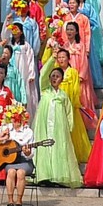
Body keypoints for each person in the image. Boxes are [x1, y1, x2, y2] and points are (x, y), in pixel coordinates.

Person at [32, 55, 83, 188]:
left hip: (59, 129)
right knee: (44, 148)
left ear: (61, 79)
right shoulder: (44, 90)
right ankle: (43, 176)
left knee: (57, 149)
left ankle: (57, 176)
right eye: (53, 76)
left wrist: (69, 128)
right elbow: (42, 74)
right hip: (44, 127)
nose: (54, 78)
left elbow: (69, 113)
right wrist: (52, 59)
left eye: (57, 76)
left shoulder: (62, 95)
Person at [0, 103, 34, 206]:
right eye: (13, 119)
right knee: (12, 172)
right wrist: (2, 138)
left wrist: (27, 153)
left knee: (21, 173)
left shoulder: (28, 132)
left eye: (18, 119)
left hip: (24, 161)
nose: (15, 121)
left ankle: (19, 201)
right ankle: (10, 201)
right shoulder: (6, 129)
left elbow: (31, 154)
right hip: (11, 161)